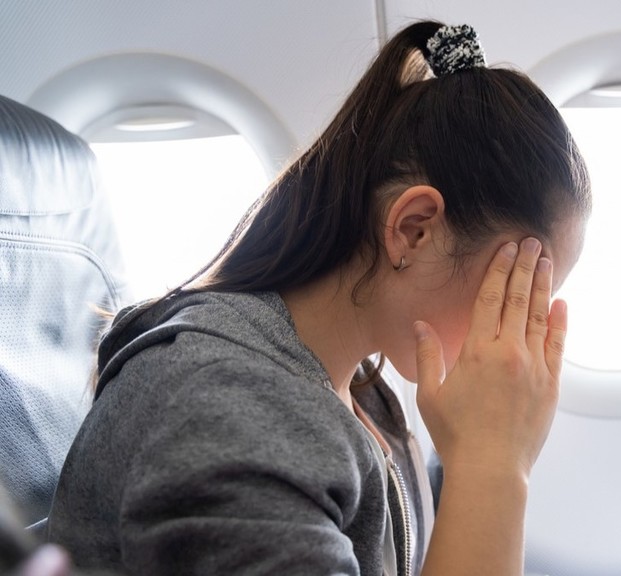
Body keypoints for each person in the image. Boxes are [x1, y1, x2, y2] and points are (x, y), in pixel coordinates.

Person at [46, 20, 590, 576]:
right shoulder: (226, 408)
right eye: (516, 292)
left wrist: (478, 451)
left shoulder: (363, 391)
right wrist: (494, 462)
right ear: (413, 230)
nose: (519, 338)